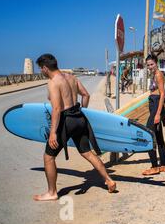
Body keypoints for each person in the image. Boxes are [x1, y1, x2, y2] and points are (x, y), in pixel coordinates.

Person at [33, 54, 116, 201]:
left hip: (66, 121)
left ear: (45, 68)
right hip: (79, 118)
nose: (41, 71)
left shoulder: (53, 82)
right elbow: (85, 95)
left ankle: (52, 192)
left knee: (48, 157)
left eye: (41, 68)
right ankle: (109, 180)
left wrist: (53, 133)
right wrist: (81, 112)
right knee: (87, 153)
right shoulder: (71, 77)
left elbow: (57, 109)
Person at [142, 53, 165, 175]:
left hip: (157, 106)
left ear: (156, 63)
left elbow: (162, 94)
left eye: (151, 64)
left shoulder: (158, 75)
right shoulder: (154, 74)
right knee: (158, 137)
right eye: (148, 65)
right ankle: (163, 165)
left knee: (148, 135)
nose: (150, 67)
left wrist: (158, 114)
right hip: (154, 105)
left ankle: (154, 166)